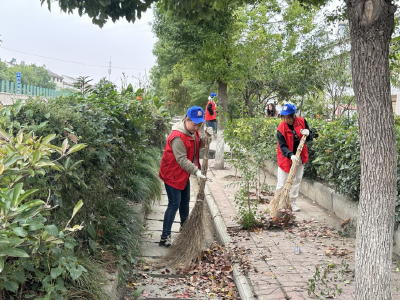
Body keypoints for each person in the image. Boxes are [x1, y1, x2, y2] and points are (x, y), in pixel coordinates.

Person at [158, 106, 213, 247]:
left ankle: (185, 233)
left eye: (200, 125)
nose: (197, 128)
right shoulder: (177, 136)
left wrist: (207, 139)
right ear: (186, 120)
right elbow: (181, 159)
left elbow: (197, 145)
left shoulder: (192, 133)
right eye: (194, 124)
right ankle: (165, 237)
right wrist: (197, 171)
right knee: (174, 203)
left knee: (185, 202)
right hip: (172, 174)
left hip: (182, 174)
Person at [276, 103, 312, 212]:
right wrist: (290, 155)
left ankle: (292, 202)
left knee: (296, 179)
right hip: (286, 158)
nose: (286, 119)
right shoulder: (281, 128)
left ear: (293, 115)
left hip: (300, 155)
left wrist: (308, 133)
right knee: (282, 181)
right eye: (284, 117)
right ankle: (279, 202)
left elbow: (310, 137)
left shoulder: (301, 121)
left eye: (288, 117)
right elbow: (282, 146)